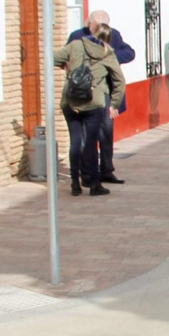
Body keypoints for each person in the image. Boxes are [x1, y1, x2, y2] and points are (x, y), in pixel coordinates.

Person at [53, 22, 126, 197]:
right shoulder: (108, 53)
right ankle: (94, 184)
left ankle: (75, 183)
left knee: (75, 142)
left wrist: (66, 66)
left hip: (71, 101)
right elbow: (120, 81)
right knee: (91, 144)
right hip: (94, 102)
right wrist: (114, 103)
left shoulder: (75, 44)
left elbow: (54, 58)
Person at [67, 10, 136, 186]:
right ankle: (86, 174)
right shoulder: (77, 37)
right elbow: (65, 59)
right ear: (88, 24)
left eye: (104, 26)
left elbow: (129, 52)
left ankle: (106, 170)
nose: (101, 29)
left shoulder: (113, 35)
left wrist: (109, 57)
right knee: (84, 134)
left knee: (106, 131)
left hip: (106, 92)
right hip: (83, 93)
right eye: (97, 26)